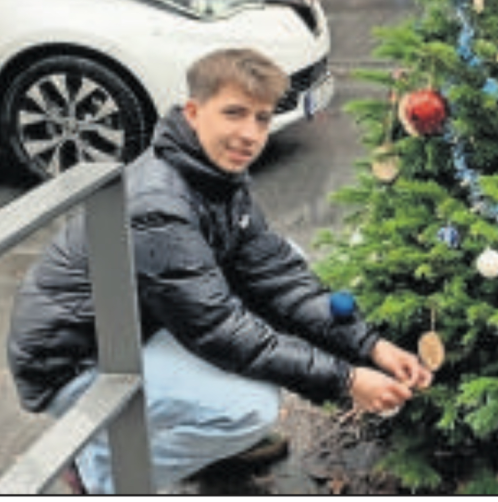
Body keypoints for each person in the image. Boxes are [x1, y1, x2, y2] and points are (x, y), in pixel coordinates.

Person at [7, 48, 432, 494]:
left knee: (285, 258)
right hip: (76, 364)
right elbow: (218, 330)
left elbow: (279, 277)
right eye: (234, 113)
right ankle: (99, 475)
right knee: (248, 408)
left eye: (262, 119)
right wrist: (345, 380)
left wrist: (371, 346)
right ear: (193, 112)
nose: (250, 134)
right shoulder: (158, 205)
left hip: (142, 324)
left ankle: (207, 438)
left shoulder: (213, 174)